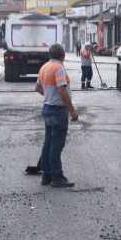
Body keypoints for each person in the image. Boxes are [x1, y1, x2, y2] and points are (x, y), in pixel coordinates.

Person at [35, 43, 78, 188]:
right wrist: (71, 110)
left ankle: (46, 176)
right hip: (58, 111)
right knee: (56, 145)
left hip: (47, 108)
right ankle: (57, 177)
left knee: (48, 143)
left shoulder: (44, 67)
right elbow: (61, 90)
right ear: (63, 55)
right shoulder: (58, 68)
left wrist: (48, 95)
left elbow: (38, 88)